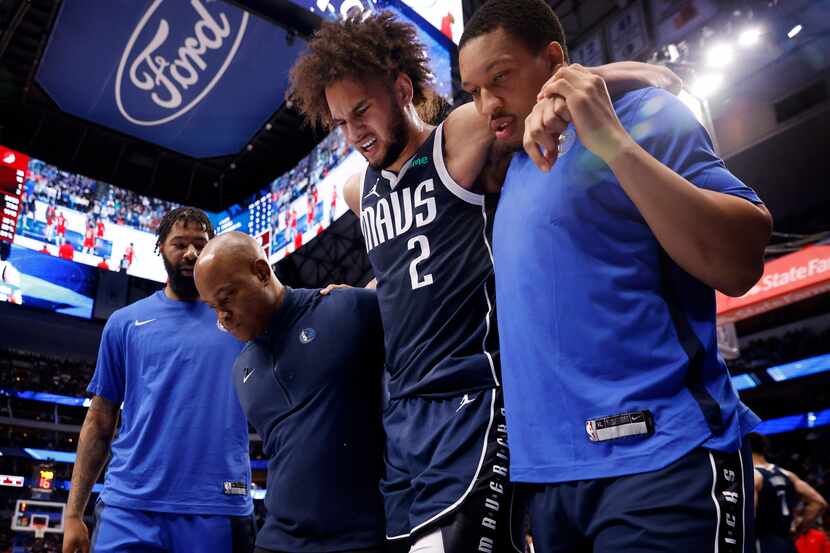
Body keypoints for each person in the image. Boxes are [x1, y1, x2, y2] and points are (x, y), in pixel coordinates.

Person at [288, 12, 677, 552]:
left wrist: (627, 76)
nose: (354, 133)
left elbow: (547, 95)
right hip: (402, 414)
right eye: (339, 123)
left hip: (473, 399)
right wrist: (359, 294)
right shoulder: (359, 191)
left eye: (361, 111)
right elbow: (405, 271)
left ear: (401, 89)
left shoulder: (458, 136)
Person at [456, 1, 774, 552]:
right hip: (550, 482)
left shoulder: (642, 115)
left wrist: (610, 138)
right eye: (473, 90)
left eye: (500, 77)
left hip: (661, 461)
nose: (487, 104)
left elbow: (740, 261)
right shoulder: (511, 166)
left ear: (553, 59)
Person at [62, 208, 255, 553]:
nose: (191, 253)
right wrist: (74, 513)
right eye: (180, 244)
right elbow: (100, 420)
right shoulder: (124, 323)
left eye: (200, 244)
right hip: (128, 507)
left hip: (216, 506)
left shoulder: (241, 320)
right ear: (160, 249)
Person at [194, 231, 396, 553]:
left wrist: (374, 288)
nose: (223, 316)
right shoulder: (241, 371)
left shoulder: (346, 309)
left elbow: (411, 295)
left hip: (361, 540)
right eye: (212, 307)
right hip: (276, 542)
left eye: (227, 297)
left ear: (261, 272)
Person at [751, 433, 827, 553]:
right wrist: (799, 531)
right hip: (787, 543)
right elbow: (819, 503)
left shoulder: (753, 476)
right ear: (764, 449)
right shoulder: (788, 475)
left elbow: (749, 517)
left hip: (762, 543)